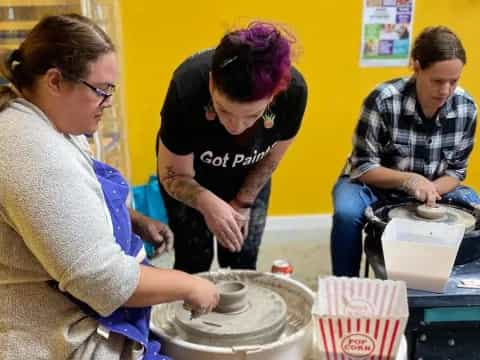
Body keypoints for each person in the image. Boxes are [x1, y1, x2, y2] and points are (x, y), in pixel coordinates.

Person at [0, 14, 219, 359]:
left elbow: (67, 210)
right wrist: (190, 285)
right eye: (101, 91)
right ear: (55, 81)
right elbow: (103, 279)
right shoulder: (29, 151)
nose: (109, 103)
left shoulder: (49, 120)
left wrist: (132, 219)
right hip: (56, 337)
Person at [156, 22, 307, 274]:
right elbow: (173, 174)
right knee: (193, 261)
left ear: (275, 94)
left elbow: (270, 160)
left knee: (242, 261)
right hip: (190, 177)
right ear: (212, 83)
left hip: (248, 177)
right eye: (224, 110)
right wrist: (206, 202)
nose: (235, 127)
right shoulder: (187, 85)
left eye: (252, 116)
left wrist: (243, 202)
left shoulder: (293, 93)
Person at [331, 26, 479, 277]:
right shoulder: (383, 100)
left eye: (453, 81)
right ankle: (344, 288)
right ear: (416, 66)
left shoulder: (466, 108)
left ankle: (460, 289)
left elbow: (456, 172)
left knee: (476, 210)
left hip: (434, 188)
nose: (445, 90)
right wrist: (409, 180)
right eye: (437, 80)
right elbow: (363, 166)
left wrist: (430, 191)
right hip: (371, 185)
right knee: (346, 215)